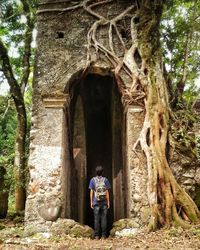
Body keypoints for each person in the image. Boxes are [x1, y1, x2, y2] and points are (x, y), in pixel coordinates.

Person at [89, 165, 111, 240]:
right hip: (104, 202)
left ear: (96, 172)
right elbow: (107, 192)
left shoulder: (93, 180)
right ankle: (104, 236)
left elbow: (91, 192)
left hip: (96, 202)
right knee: (104, 219)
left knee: (96, 219)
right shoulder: (105, 180)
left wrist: (91, 201)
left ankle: (96, 236)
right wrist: (108, 202)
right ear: (102, 172)